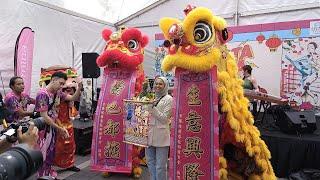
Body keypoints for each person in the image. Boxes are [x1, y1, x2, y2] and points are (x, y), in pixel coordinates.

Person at [35, 71, 82, 179]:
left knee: (50, 152)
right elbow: (44, 116)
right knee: (43, 153)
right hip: (44, 129)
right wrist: (59, 128)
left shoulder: (58, 93)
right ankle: (42, 176)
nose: (62, 86)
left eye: (63, 84)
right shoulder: (42, 94)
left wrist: (79, 88)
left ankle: (48, 173)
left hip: (52, 127)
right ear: (54, 80)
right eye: (60, 83)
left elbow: (72, 98)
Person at [146, 77, 173, 180]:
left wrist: (152, 108)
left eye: (160, 84)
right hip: (148, 134)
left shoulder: (169, 99)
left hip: (162, 136)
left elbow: (165, 119)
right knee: (150, 162)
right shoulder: (151, 97)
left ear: (165, 85)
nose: (157, 86)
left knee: (161, 166)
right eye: (156, 84)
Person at [54, 82, 80, 172]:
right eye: (67, 89)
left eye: (71, 89)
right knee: (57, 147)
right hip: (57, 124)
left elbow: (74, 98)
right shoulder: (58, 95)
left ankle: (70, 164)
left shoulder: (69, 99)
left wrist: (79, 88)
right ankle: (52, 165)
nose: (69, 91)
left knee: (70, 146)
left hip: (68, 124)